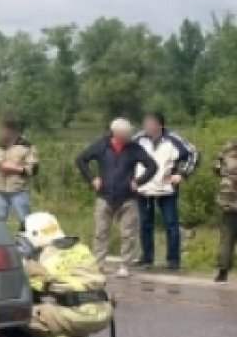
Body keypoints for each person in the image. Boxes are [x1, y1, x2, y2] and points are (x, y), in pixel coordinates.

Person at [15, 211, 113, 337]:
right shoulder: (81, 248)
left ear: (35, 235)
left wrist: (24, 263)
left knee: (18, 315)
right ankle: (77, 335)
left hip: (79, 315)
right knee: (60, 304)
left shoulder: (43, 259)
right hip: (104, 312)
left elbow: (31, 288)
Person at [75, 118, 158, 278]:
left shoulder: (134, 148)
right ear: (116, 133)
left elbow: (152, 166)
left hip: (128, 197)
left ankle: (125, 265)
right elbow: (81, 160)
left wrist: (138, 181)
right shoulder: (102, 145)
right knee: (101, 232)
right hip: (105, 196)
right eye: (126, 134)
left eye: (129, 133)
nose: (129, 136)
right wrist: (92, 178)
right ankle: (98, 264)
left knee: (128, 233)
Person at [133, 113, 199, 270]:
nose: (146, 126)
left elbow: (193, 154)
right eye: (145, 123)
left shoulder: (173, 139)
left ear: (159, 125)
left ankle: (173, 260)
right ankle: (147, 257)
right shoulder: (138, 139)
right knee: (145, 224)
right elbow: (127, 156)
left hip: (166, 187)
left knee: (171, 224)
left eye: (150, 123)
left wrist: (182, 174)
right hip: (144, 187)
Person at [0, 119, 38, 222]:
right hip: (0, 190)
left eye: (5, 131)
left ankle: (26, 238)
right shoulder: (0, 146)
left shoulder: (26, 146)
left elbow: (34, 169)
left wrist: (14, 169)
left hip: (18, 191)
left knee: (26, 222)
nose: (2, 133)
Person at [215, 138, 237, 283]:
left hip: (229, 200)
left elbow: (216, 169)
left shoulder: (227, 148)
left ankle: (222, 272)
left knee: (227, 237)